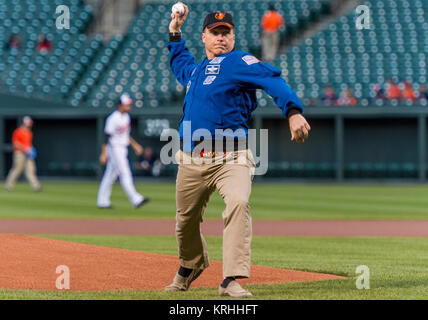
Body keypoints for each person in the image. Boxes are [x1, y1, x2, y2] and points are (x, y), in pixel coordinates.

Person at [165, 5, 310, 298]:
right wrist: (175, 30)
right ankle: (191, 266)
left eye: (226, 33)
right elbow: (179, 61)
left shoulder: (239, 61)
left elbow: (272, 80)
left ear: (233, 36)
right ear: (204, 36)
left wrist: (293, 111)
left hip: (231, 155)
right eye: (215, 33)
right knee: (185, 220)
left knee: (238, 203)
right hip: (192, 158)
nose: (221, 38)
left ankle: (230, 279)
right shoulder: (195, 72)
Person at [97, 93, 150, 209]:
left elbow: (126, 135)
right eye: (127, 104)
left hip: (123, 147)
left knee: (110, 175)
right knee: (125, 173)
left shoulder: (126, 117)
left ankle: (102, 201)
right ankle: (136, 199)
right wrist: (103, 153)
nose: (129, 106)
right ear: (120, 105)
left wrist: (135, 145)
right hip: (115, 148)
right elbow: (107, 136)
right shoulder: (113, 118)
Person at [5, 116, 41, 192]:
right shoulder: (18, 131)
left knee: (31, 170)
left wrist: (31, 150)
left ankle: (36, 186)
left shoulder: (29, 133)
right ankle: (9, 185)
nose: (30, 125)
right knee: (17, 169)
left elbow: (29, 144)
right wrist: (25, 148)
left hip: (28, 154)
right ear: (24, 123)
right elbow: (15, 143)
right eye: (28, 123)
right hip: (19, 153)